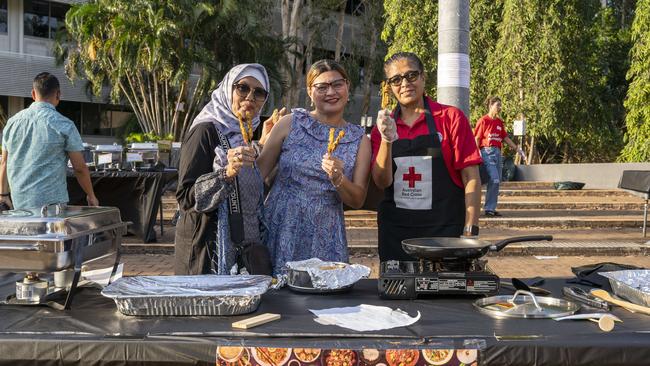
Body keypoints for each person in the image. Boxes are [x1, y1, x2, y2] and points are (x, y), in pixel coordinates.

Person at [257, 59, 371, 275]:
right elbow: (257, 175)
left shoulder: (359, 139)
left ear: (347, 88)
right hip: (281, 226)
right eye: (322, 87)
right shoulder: (289, 123)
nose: (331, 92)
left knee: (325, 303)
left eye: (337, 84)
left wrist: (339, 179)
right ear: (310, 92)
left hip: (325, 233)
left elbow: (357, 199)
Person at [371, 52, 482, 262]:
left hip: (445, 235)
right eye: (396, 79)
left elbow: (471, 178)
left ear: (423, 77)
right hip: (396, 235)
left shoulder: (451, 118)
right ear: (389, 86)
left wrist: (470, 230)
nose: (404, 84)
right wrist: (387, 139)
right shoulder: (381, 128)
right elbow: (381, 182)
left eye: (411, 75)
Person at [174, 63, 284, 275]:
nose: (250, 97)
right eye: (242, 88)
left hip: (243, 254)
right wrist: (226, 173)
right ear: (227, 89)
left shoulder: (244, 135)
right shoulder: (205, 131)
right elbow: (185, 198)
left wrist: (260, 145)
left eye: (259, 92)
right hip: (208, 252)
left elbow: (249, 188)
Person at [0, 72, 98, 210]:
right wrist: (91, 195)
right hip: (52, 207)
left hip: (19, 203)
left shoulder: (12, 123)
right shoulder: (64, 124)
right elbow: (79, 168)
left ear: (33, 94)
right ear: (58, 95)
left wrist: (3, 195)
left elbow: (4, 161)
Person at [473, 96, 526, 217]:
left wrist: (518, 149)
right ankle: (487, 207)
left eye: (500, 105)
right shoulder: (483, 121)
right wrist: (477, 153)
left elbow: (505, 138)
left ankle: (490, 208)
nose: (500, 108)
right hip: (487, 152)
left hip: (498, 153)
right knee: (494, 179)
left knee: (497, 181)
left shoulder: (499, 122)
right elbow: (477, 138)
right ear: (490, 106)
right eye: (498, 105)